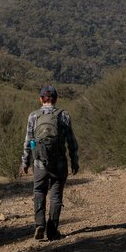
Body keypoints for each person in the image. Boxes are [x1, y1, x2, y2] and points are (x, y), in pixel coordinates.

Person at [20, 84, 79, 241]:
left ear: (41, 99)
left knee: (39, 191)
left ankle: (39, 224)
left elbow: (28, 141)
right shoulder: (64, 115)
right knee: (56, 195)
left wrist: (25, 162)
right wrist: (74, 161)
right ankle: (52, 231)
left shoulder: (33, 116)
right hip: (59, 163)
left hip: (39, 163)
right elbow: (71, 142)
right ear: (56, 99)